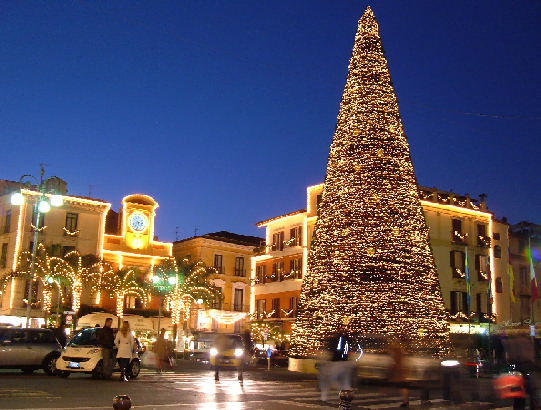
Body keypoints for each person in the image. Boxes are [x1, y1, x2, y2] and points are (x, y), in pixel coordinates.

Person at [505, 333, 537, 410]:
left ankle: (519, 406)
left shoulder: (512, 342)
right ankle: (533, 405)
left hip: (517, 366)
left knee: (518, 391)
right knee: (531, 388)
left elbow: (509, 356)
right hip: (527, 365)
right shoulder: (527, 341)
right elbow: (531, 355)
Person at [388, 340, 409, 407]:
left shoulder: (396, 350)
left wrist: (392, 368)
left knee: (402, 386)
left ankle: (405, 401)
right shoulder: (401, 350)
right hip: (401, 369)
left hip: (399, 370)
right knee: (403, 386)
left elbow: (395, 360)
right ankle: (405, 401)